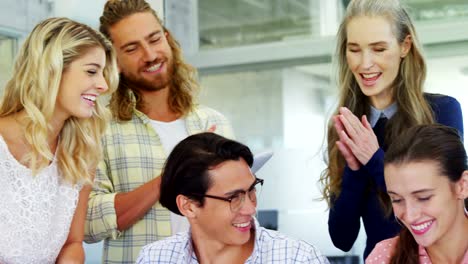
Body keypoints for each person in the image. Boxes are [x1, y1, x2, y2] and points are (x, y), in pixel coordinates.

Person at [84, 0, 234, 262]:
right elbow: (89, 222)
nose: (150, 55)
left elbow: (241, 214)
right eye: (132, 48)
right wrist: (171, 176)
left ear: (166, 39)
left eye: (154, 40)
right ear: (114, 62)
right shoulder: (98, 129)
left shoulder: (214, 123)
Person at [320, 0, 464, 259]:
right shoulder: (346, 126)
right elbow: (341, 237)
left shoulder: (442, 111)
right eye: (354, 49)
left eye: (378, 49)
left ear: (404, 46)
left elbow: (453, 207)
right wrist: (354, 171)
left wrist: (374, 159)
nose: (365, 64)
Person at [0, 17, 118, 263]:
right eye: (91, 72)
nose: (103, 85)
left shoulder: (81, 156)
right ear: (52, 69)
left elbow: (72, 244)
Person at [136, 132, 329, 264]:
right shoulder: (155, 258)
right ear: (189, 206)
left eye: (251, 190)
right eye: (233, 198)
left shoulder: (298, 258)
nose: (250, 209)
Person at [367, 124, 468, 264]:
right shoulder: (385, 257)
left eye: (423, 198)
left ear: (462, 186)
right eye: (397, 199)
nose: (410, 216)